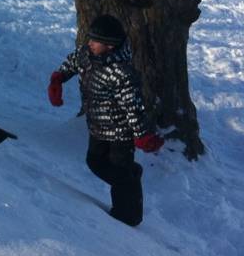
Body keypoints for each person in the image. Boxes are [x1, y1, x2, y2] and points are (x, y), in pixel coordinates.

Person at [47, 14, 164, 227]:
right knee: (94, 162)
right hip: (97, 127)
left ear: (109, 46)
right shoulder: (86, 55)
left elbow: (133, 107)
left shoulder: (121, 73)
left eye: (95, 40)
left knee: (120, 175)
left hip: (120, 133)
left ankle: (126, 218)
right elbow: (71, 63)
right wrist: (58, 80)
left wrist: (142, 135)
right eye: (89, 38)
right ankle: (131, 176)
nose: (89, 42)